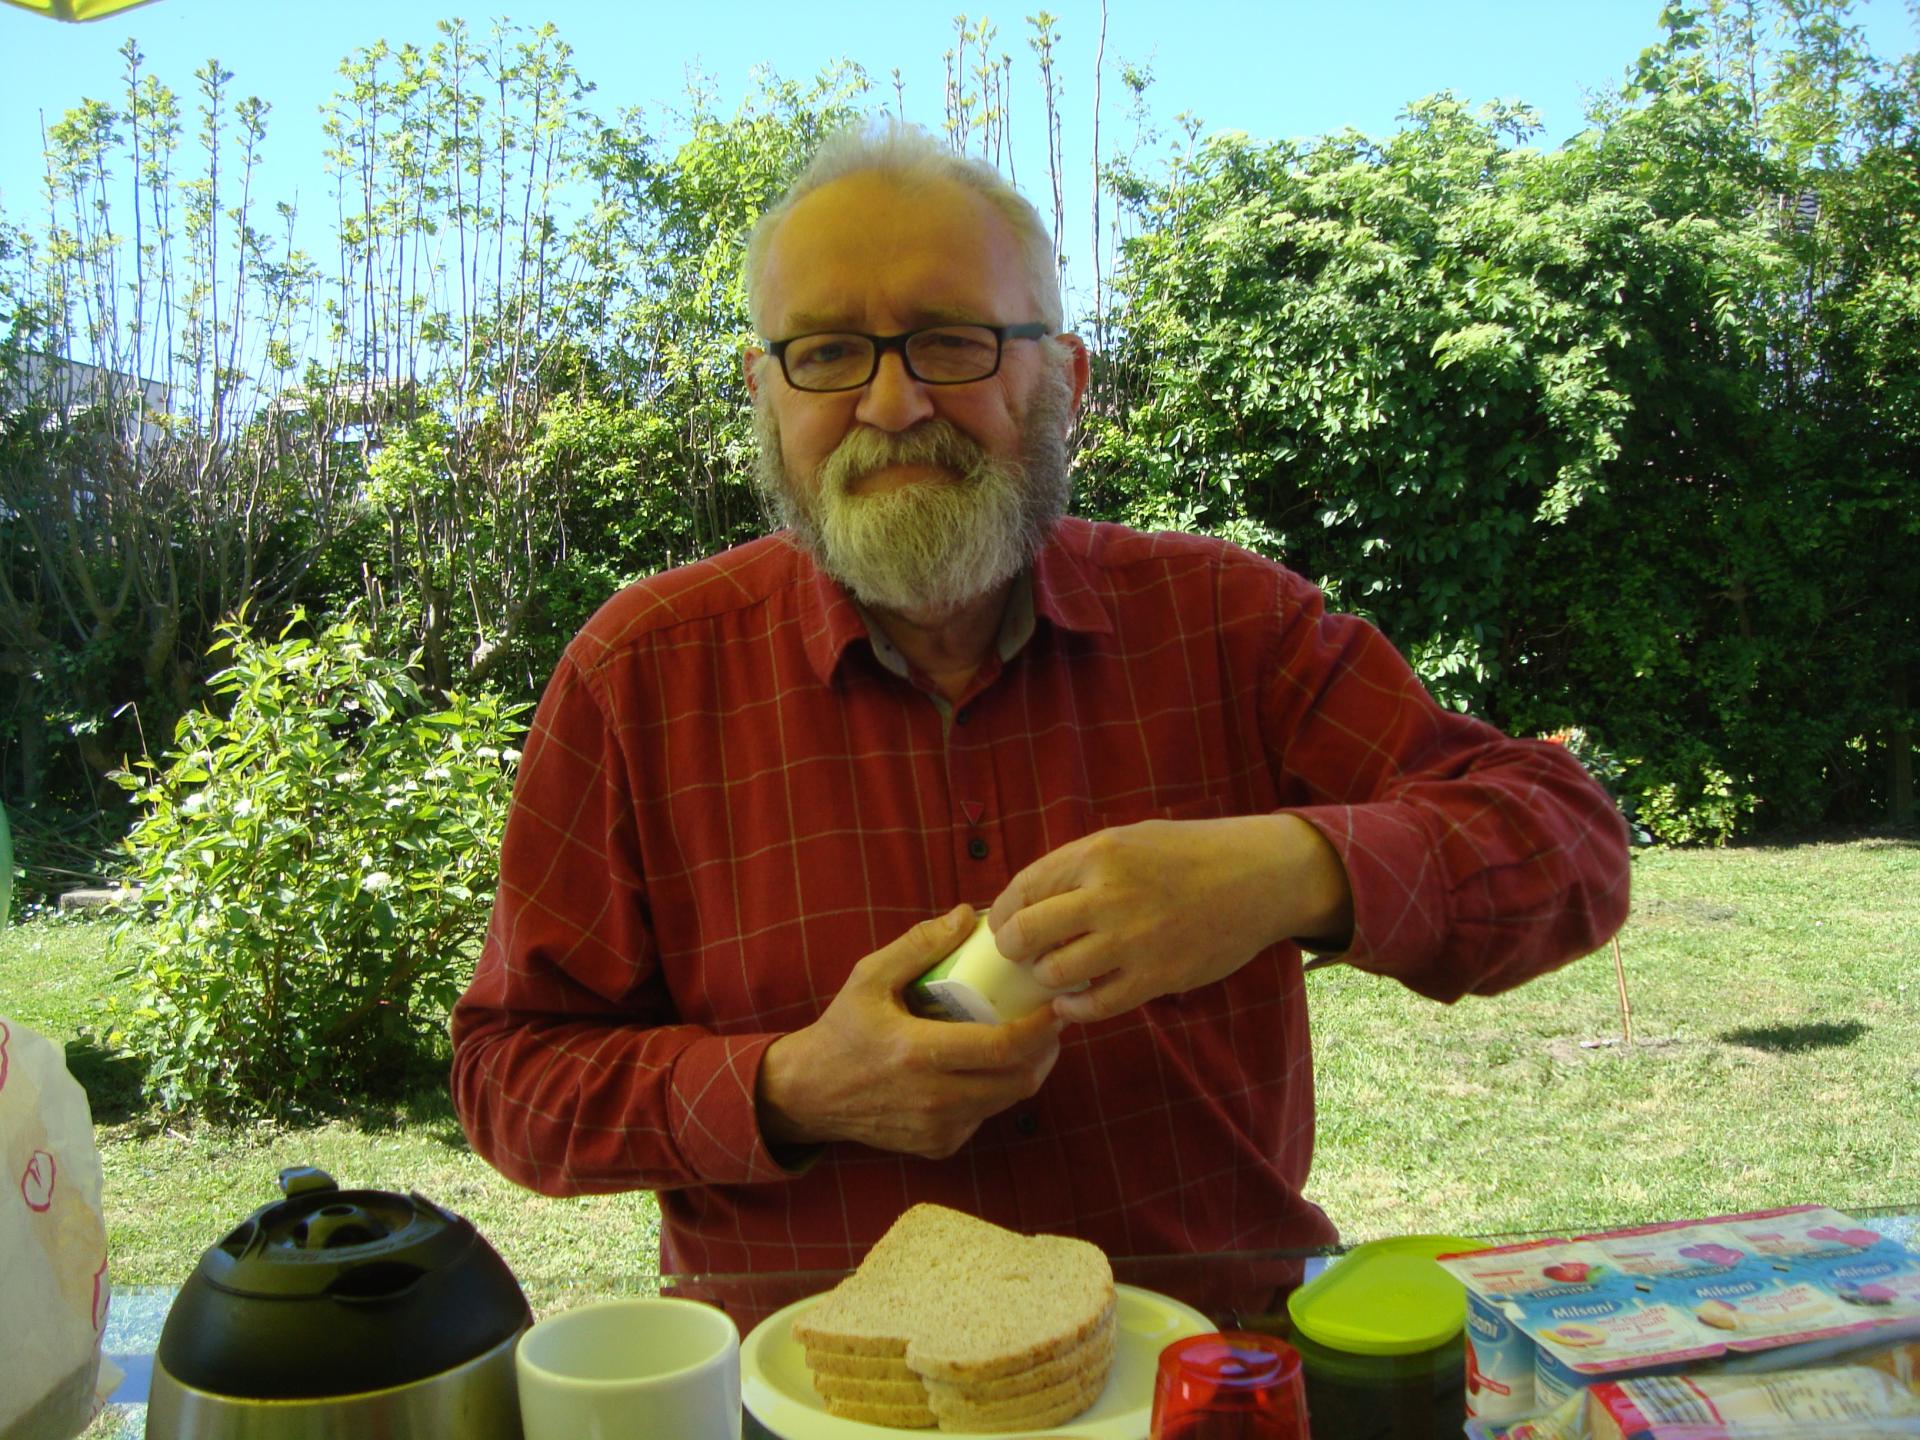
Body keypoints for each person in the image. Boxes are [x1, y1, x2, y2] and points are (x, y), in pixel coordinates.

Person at [450, 120, 1630, 1285]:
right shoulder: (639, 674)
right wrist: (794, 1087)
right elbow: (512, 1077)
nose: (892, 403)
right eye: (824, 353)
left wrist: (1283, 873)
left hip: (1202, 1383)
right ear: (766, 393)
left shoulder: (1229, 626)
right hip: (819, 1399)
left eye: (951, 342)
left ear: (1062, 376)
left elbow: (1568, 847)